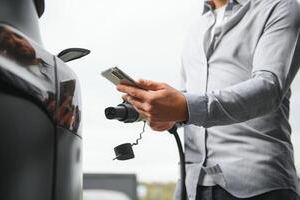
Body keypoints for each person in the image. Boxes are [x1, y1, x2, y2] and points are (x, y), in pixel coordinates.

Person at [116, 0, 300, 199]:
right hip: (193, 186)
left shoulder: (279, 6)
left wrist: (185, 107)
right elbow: (188, 97)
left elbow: (269, 88)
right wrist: (170, 114)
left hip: (259, 185)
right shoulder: (196, 29)